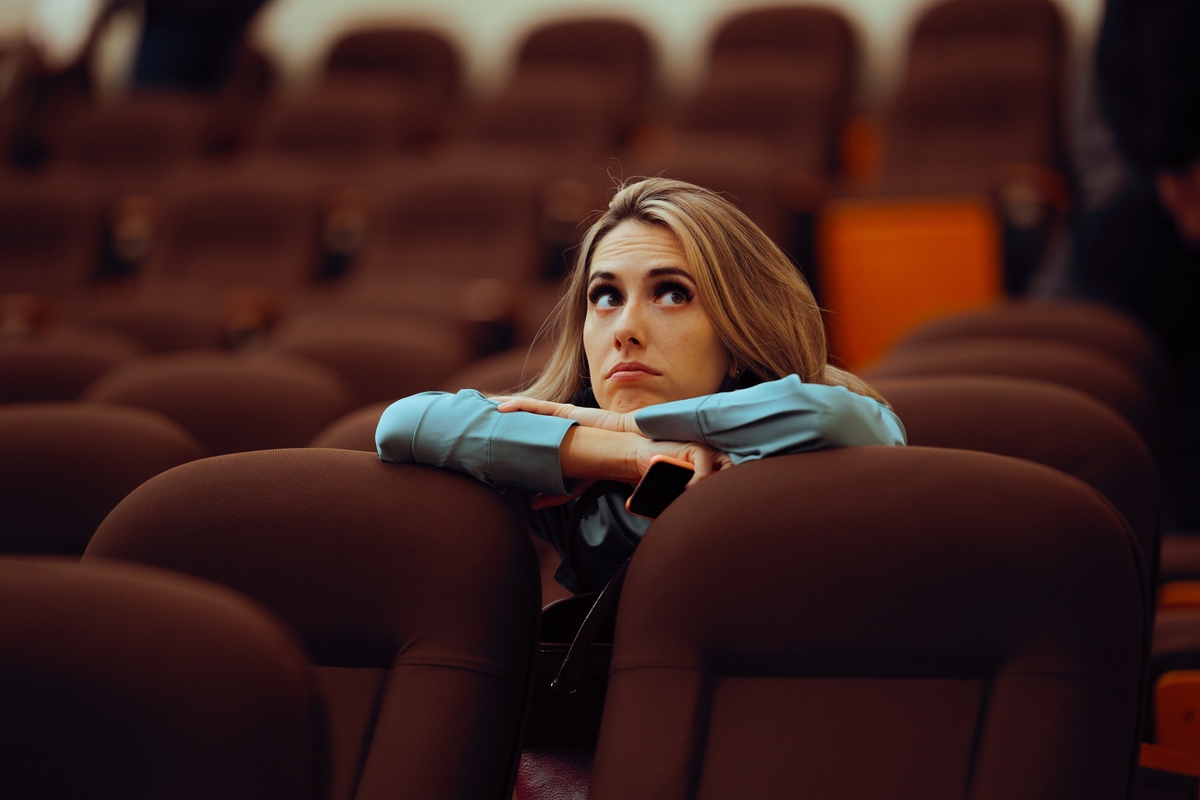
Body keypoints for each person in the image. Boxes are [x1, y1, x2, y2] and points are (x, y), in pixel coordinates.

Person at [376, 178, 905, 592]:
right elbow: (404, 424)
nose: (625, 329)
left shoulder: (802, 440)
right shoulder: (574, 472)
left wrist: (631, 424)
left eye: (672, 294)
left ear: (737, 334)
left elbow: (840, 419)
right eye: (606, 297)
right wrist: (630, 454)